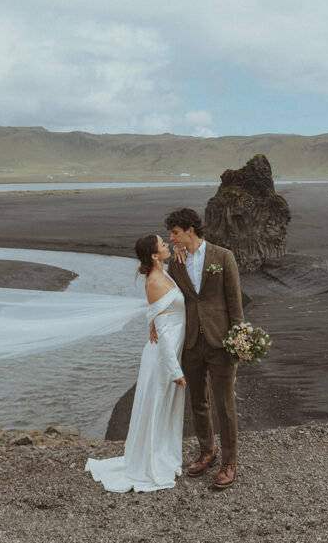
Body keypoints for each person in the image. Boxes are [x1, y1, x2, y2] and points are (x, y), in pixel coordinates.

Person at [85, 234, 186, 492]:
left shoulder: (164, 272)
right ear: (154, 255)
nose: (168, 245)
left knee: (165, 409)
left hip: (170, 353)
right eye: (163, 244)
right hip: (162, 359)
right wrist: (175, 370)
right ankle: (150, 464)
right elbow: (163, 331)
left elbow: (157, 313)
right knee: (156, 409)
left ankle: (161, 456)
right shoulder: (154, 281)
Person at [155, 206, 243, 490]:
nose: (172, 238)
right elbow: (168, 299)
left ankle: (229, 462)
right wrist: (154, 322)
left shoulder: (223, 256)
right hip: (191, 343)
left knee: (224, 403)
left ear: (190, 230)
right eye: (170, 234)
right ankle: (207, 451)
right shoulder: (176, 264)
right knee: (198, 402)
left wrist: (239, 339)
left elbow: (235, 303)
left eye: (176, 232)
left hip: (221, 342)